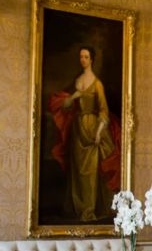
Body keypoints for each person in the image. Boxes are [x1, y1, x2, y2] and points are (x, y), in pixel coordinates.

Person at [49, 46, 120, 224]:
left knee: (90, 173)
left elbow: (104, 110)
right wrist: (73, 97)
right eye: (81, 57)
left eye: (86, 57)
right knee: (77, 172)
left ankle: (89, 210)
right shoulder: (77, 81)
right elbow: (65, 105)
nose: (83, 60)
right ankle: (78, 209)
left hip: (92, 129)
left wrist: (98, 133)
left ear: (92, 60)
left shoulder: (97, 84)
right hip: (77, 130)